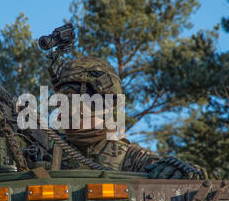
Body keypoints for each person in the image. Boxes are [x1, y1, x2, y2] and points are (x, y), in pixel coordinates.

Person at [51, 56, 203, 179]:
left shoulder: (132, 158)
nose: (57, 102)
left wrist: (180, 171)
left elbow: (194, 177)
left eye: (67, 95)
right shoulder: (48, 149)